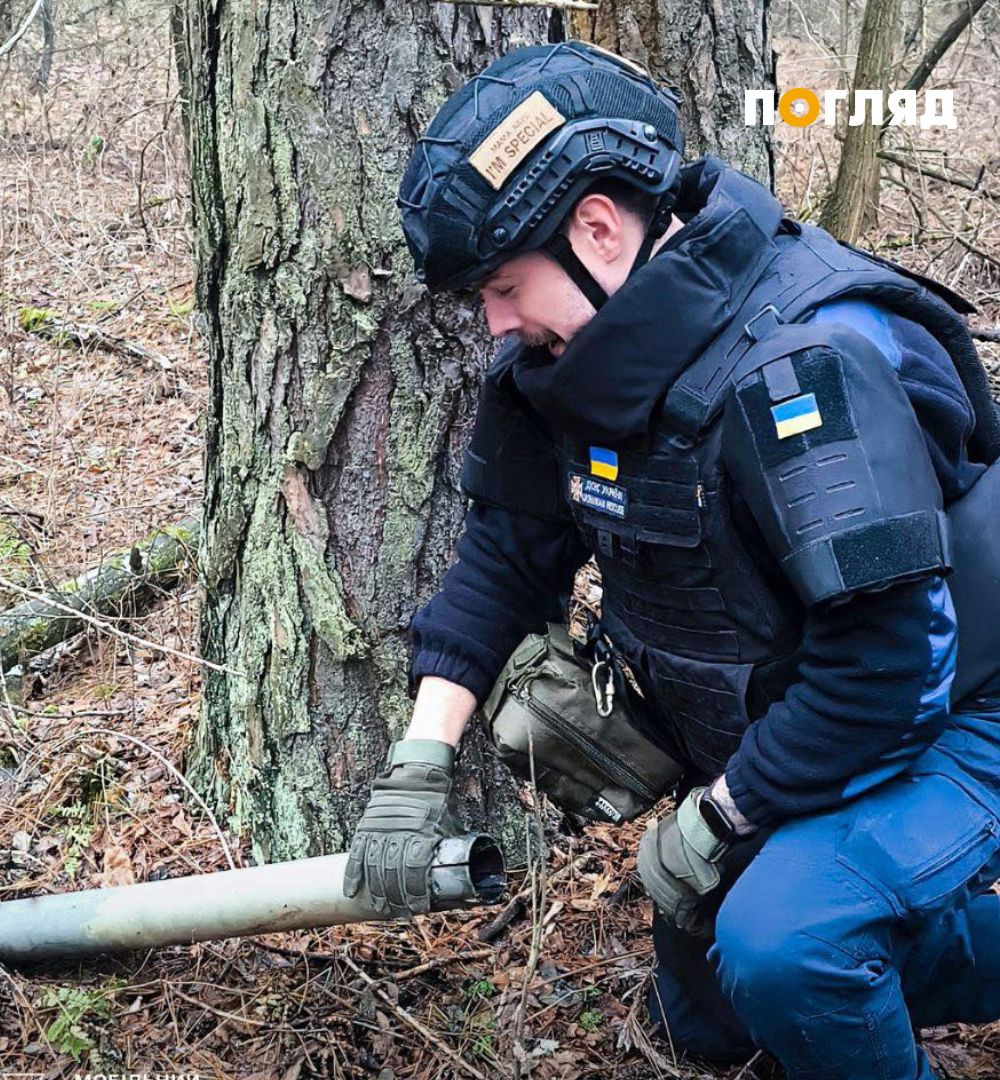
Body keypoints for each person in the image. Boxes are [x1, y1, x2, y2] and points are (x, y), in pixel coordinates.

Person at [343, 40, 1000, 1079]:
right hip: (792, 727)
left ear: (597, 230)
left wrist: (722, 817)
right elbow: (504, 559)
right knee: (712, 1021)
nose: (496, 323)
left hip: (952, 712)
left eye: (505, 287)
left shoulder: (802, 373)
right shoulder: (564, 372)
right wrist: (421, 761)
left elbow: (887, 666)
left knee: (783, 949)